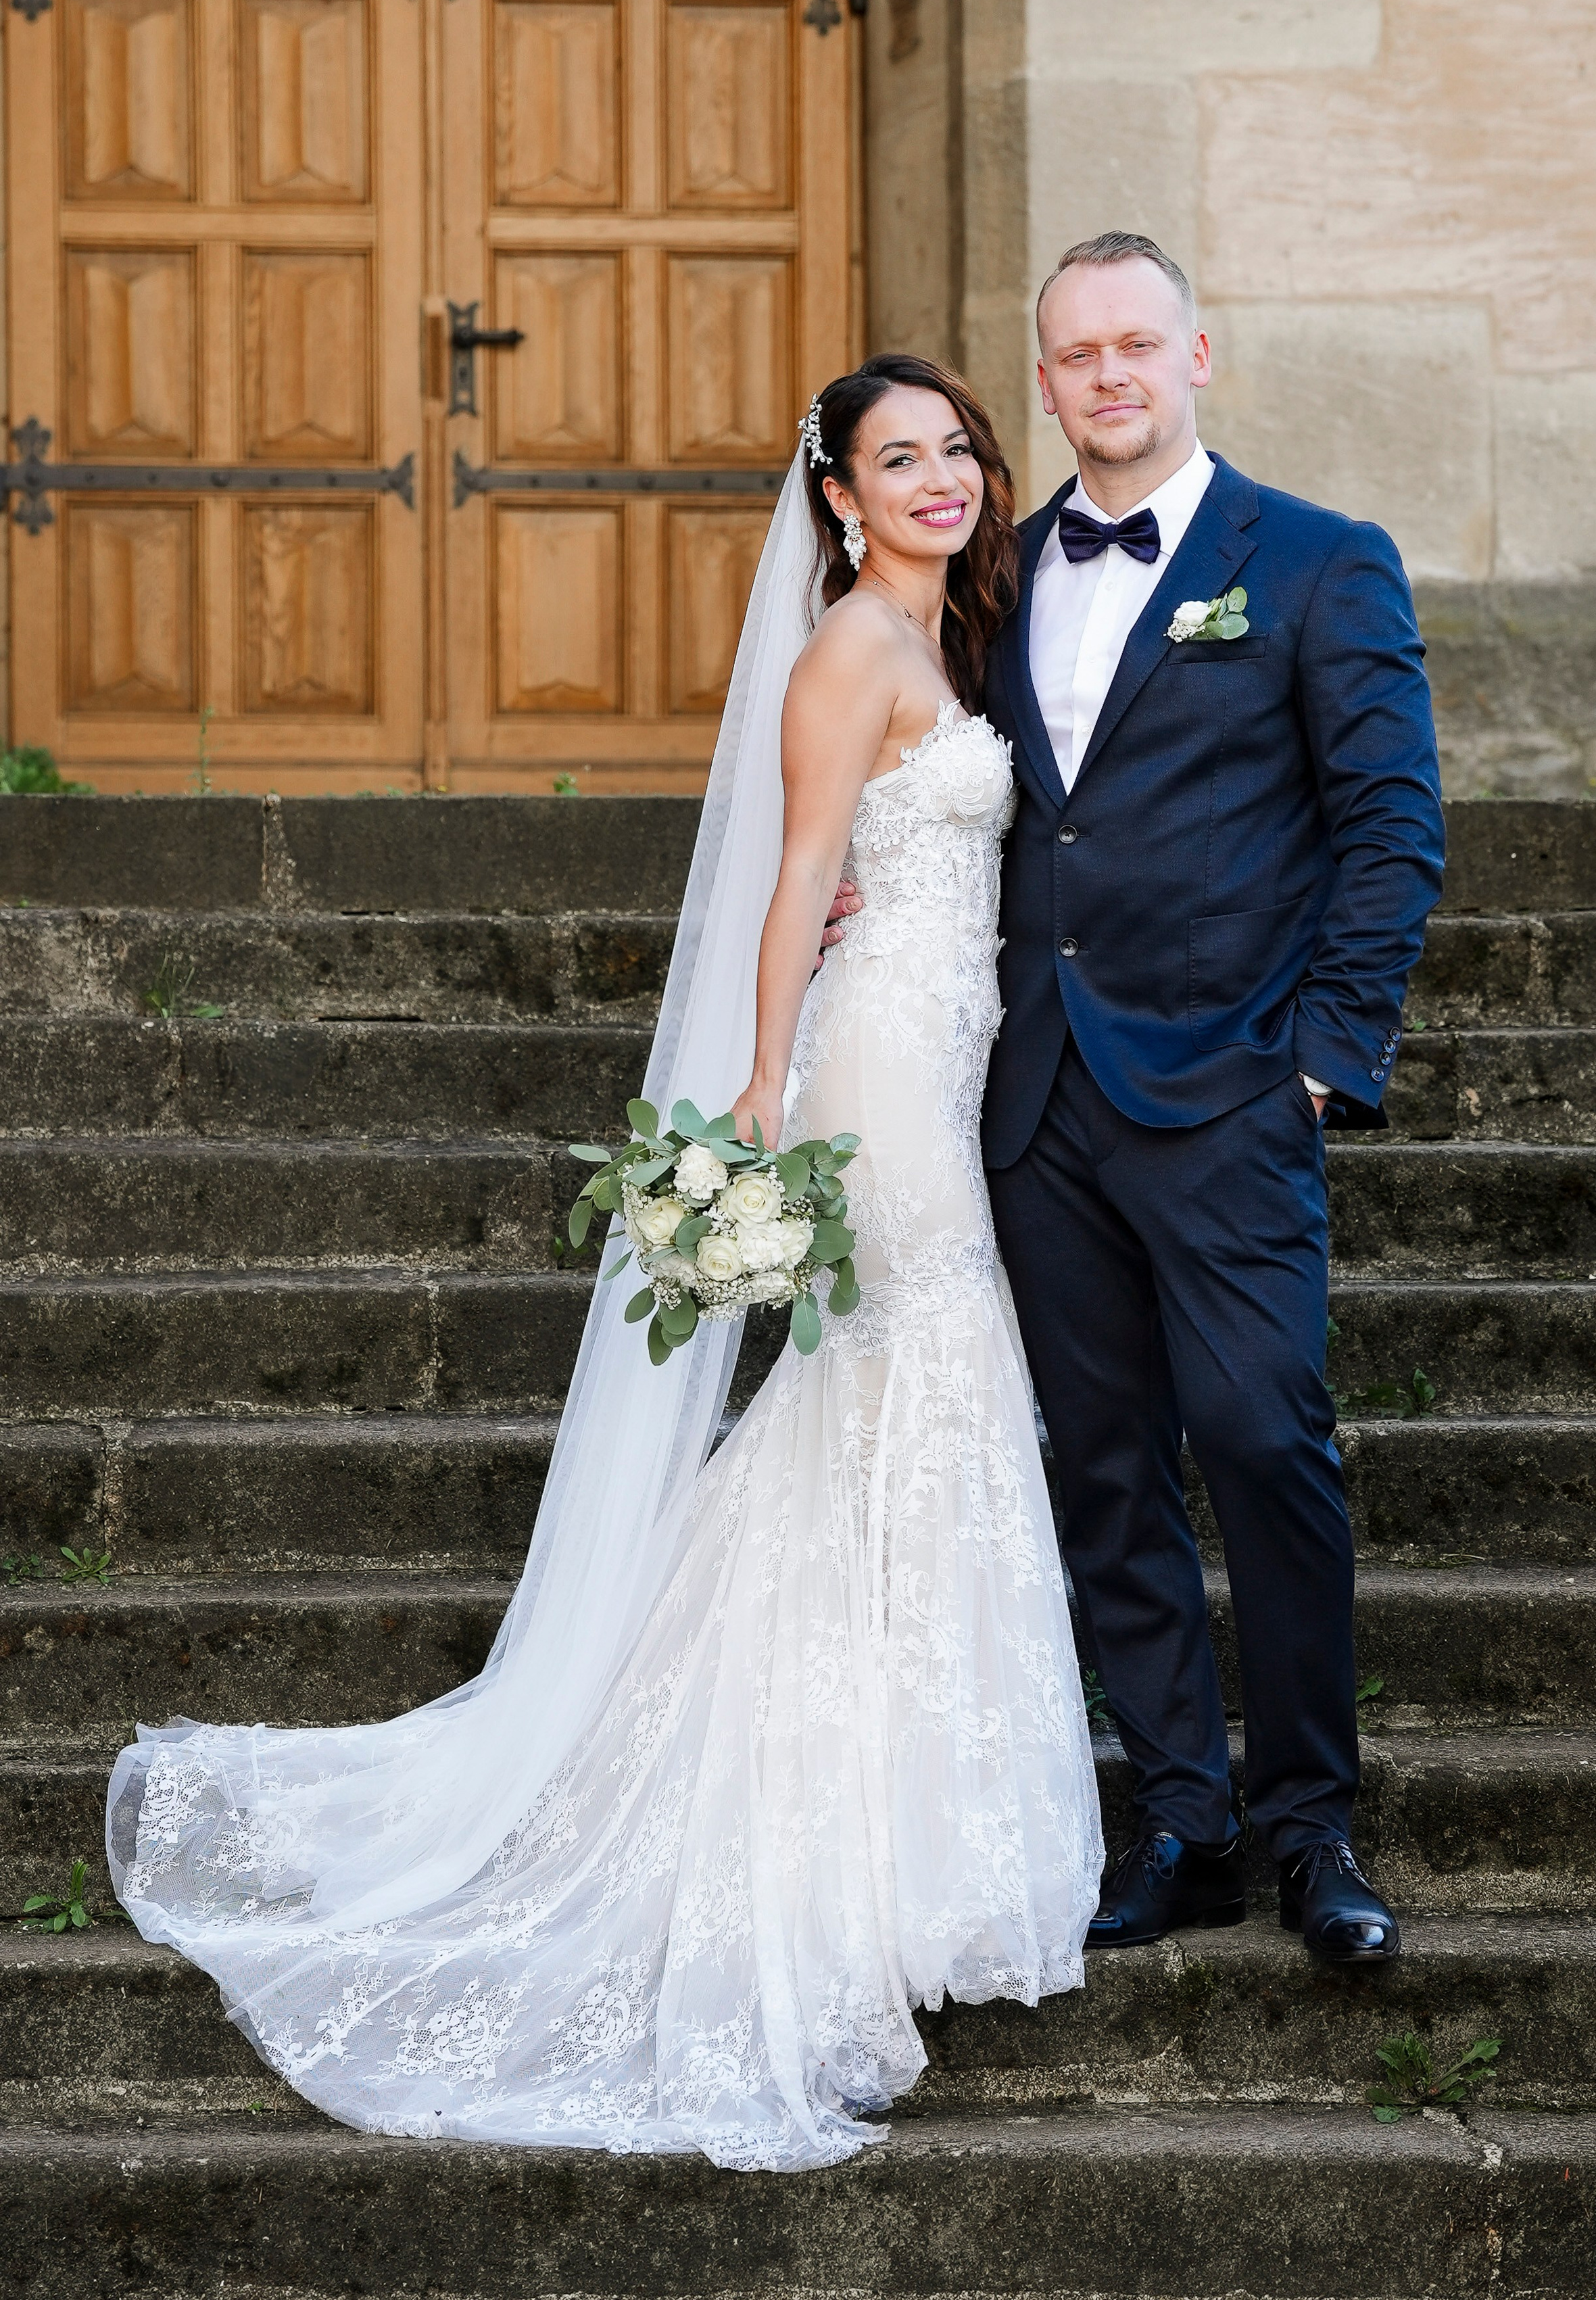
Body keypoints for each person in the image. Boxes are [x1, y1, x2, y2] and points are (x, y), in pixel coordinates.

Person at [105, 354, 1102, 2172]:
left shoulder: (962, 635)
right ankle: (838, 1871)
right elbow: (798, 878)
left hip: (961, 1048)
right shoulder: (847, 658)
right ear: (841, 498)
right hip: (879, 1073)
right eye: (903, 458)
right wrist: (758, 1098)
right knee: (911, 1391)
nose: (945, 477)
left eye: (960, 446)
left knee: (880, 1425)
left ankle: (896, 1838)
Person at [984, 232, 1445, 1963]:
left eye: (1135, 346)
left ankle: (1309, 1824)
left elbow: (1391, 829)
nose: (1105, 376)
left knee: (1262, 1439)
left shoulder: (1318, 563)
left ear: (1198, 356)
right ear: (1042, 382)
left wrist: (1323, 1057)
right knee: (1103, 1467)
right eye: (1074, 354)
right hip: (1035, 1099)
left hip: (1234, 1086)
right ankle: (1179, 1814)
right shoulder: (997, 574)